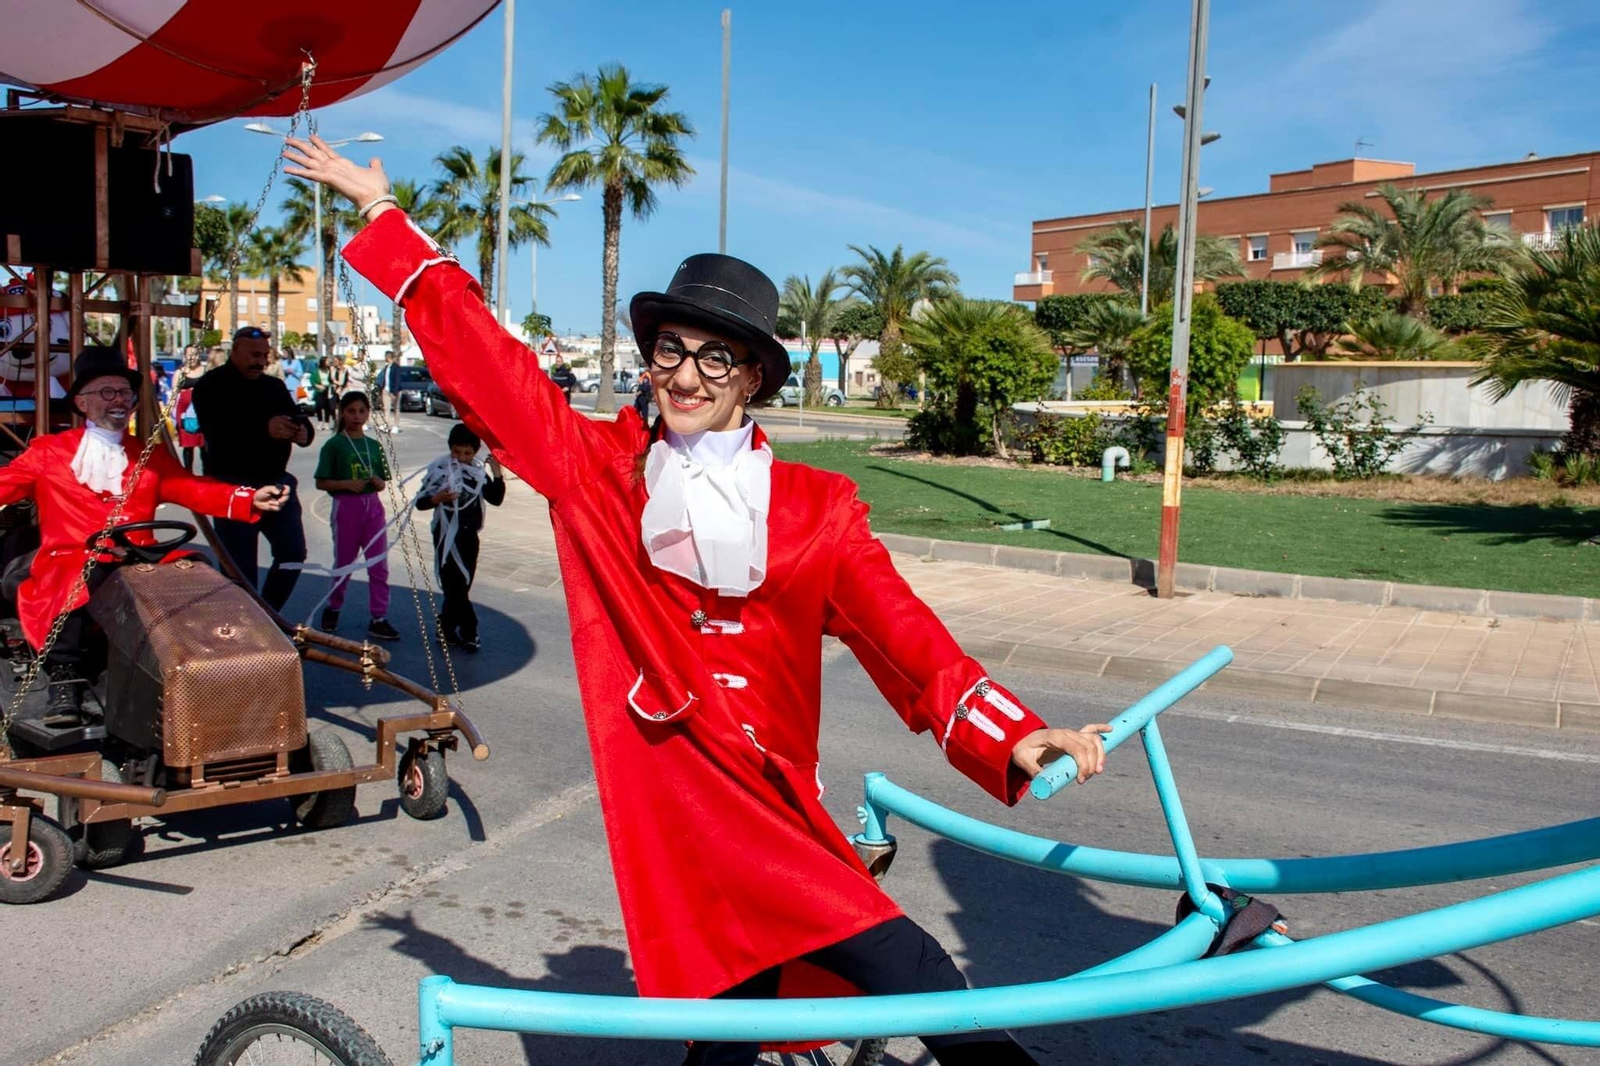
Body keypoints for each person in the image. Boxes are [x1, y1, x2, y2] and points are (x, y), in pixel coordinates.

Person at [288, 135, 1107, 1066]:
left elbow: (905, 636)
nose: (685, 376)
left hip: (772, 801)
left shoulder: (815, 507)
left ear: (752, 377)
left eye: (716, 359)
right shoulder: (600, 474)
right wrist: (382, 217)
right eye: (671, 351)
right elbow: (493, 367)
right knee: (914, 972)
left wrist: (1012, 732)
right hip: (684, 805)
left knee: (736, 1014)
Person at [0, 347, 286, 722]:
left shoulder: (146, 453)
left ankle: (206, 676)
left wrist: (247, 497)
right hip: (73, 558)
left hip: (142, 558)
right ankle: (64, 683)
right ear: (83, 402)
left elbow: (192, 488)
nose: (119, 400)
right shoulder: (49, 452)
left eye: (124, 393)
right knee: (71, 582)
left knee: (204, 582)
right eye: (108, 392)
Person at [192, 326, 315, 612]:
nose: (259, 361)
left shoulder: (272, 386)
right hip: (233, 489)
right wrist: (264, 429)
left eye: (264, 355)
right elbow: (217, 432)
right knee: (239, 571)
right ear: (234, 351)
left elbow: (297, 417)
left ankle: (268, 616)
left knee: (293, 554)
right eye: (253, 355)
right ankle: (245, 629)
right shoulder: (212, 385)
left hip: (276, 486)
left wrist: (303, 432)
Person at [313, 390, 400, 642]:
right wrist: (345, 484)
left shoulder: (374, 445)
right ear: (342, 412)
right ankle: (334, 607)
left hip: (372, 508)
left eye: (362, 411)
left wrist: (377, 481)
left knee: (378, 565)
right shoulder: (334, 445)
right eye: (351, 411)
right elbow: (321, 482)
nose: (357, 416)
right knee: (344, 563)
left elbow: (383, 482)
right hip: (346, 508)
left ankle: (379, 617)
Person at [415, 423, 505, 653]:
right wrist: (438, 498)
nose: (462, 457)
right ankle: (470, 630)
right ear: (450, 449)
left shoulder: (477, 473)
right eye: (457, 452)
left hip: (469, 538)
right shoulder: (440, 470)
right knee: (453, 585)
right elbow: (421, 502)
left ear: (475, 452)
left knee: (462, 585)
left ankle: (445, 627)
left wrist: (497, 474)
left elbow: (495, 499)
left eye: (467, 453)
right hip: (446, 537)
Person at [170, 347, 207, 471]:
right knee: (188, 446)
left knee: (204, 446)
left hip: (202, 412)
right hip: (184, 413)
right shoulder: (180, 373)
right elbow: (174, 394)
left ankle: (207, 475)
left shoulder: (205, 370)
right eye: (190, 354)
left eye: (196, 354)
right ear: (185, 356)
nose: (193, 357)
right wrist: (173, 416)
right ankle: (188, 474)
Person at [325, 356, 350, 425]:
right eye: (334, 361)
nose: (335, 362)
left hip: (342, 390)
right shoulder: (332, 369)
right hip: (333, 389)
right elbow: (329, 379)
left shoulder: (344, 370)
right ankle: (335, 419)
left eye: (336, 361)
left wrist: (341, 387)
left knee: (341, 407)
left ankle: (340, 421)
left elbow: (345, 380)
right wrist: (335, 382)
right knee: (332, 406)